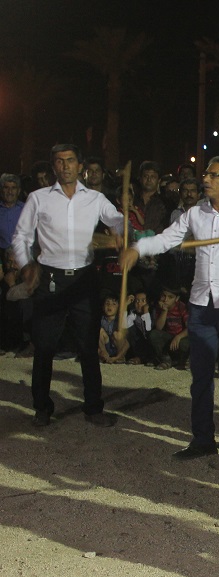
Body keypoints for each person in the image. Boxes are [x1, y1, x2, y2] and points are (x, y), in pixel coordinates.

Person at [121, 156, 219, 458]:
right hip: (201, 305)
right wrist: (138, 249)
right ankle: (203, 438)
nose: (205, 179)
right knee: (200, 375)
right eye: (205, 174)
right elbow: (166, 239)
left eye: (213, 175)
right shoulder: (195, 214)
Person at [11, 143, 125, 428]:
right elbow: (21, 236)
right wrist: (26, 266)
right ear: (54, 167)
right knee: (46, 346)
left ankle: (93, 407)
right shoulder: (38, 198)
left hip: (84, 279)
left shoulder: (95, 198)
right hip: (50, 278)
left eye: (70, 161)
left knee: (88, 346)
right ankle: (42, 407)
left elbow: (117, 221)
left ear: (80, 166)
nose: (65, 166)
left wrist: (120, 230)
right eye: (59, 162)